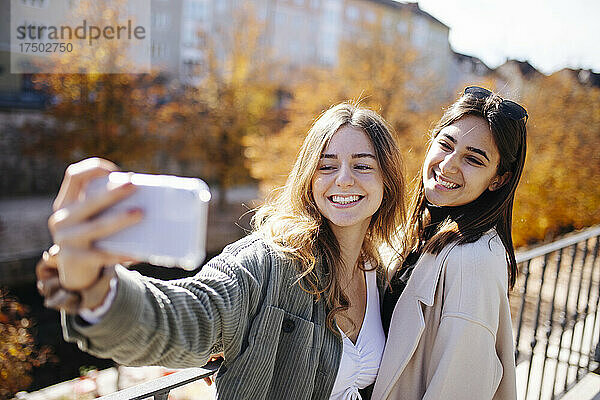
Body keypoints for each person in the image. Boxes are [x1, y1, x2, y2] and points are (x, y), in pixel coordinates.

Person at [36, 102, 407, 399]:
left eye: (362, 165)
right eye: (327, 166)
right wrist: (97, 288)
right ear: (308, 179)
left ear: (387, 181)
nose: (343, 178)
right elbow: (187, 319)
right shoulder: (270, 263)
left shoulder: (380, 271)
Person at [372, 86, 527, 400]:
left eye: (473, 159)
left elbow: (458, 388)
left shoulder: (474, 261)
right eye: (446, 144)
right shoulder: (422, 228)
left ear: (499, 179)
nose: (448, 165)